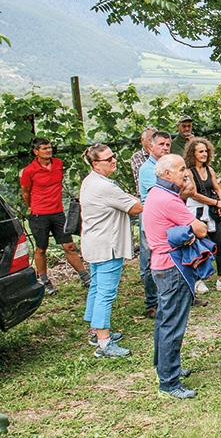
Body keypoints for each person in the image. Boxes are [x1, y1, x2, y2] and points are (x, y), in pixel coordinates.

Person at [144, 154, 208, 399]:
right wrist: (190, 232)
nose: (186, 172)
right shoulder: (169, 201)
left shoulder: (159, 194)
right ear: (167, 173)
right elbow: (201, 229)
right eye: (181, 169)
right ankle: (169, 382)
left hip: (161, 265)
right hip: (172, 267)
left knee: (164, 320)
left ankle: (168, 367)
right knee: (173, 324)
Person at [80, 144, 142, 357]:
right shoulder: (105, 186)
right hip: (108, 245)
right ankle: (104, 343)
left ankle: (96, 332)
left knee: (96, 288)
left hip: (95, 243)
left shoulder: (91, 181)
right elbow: (136, 207)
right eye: (108, 159)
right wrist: (133, 198)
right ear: (96, 164)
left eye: (113, 156)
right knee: (106, 293)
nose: (114, 160)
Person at [20, 137, 90, 295]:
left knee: (69, 246)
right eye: (44, 148)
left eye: (49, 147)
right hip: (39, 215)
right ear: (36, 152)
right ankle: (44, 280)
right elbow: (25, 191)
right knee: (41, 248)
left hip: (57, 212)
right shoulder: (29, 170)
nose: (48, 150)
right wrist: (32, 206)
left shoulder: (58, 164)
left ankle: (85, 277)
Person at [184, 138, 221, 292]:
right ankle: (197, 279)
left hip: (212, 212)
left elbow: (217, 188)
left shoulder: (210, 170)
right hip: (196, 211)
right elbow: (194, 194)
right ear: (193, 154)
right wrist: (216, 203)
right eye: (200, 151)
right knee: (199, 246)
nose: (204, 154)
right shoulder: (189, 172)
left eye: (205, 151)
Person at [138, 130, 173, 316]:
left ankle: (168, 298)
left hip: (167, 221)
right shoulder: (147, 169)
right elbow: (162, 194)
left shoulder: (168, 167)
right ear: (151, 146)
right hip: (151, 224)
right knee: (149, 263)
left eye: (168, 144)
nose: (165, 148)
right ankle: (152, 303)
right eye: (161, 144)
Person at [131, 127, 156, 194]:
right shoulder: (137, 156)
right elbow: (148, 177)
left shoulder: (162, 155)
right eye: (150, 140)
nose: (153, 143)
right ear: (142, 140)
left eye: (155, 141)